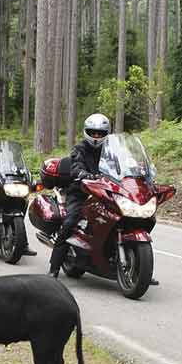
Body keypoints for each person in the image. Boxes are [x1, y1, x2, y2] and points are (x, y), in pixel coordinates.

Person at [48, 113, 110, 277]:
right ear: (87, 132)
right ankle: (54, 268)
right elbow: (75, 166)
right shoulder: (79, 149)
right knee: (69, 223)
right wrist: (83, 174)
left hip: (105, 191)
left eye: (100, 133)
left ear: (106, 134)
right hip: (81, 192)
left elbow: (121, 164)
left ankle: (140, 269)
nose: (96, 137)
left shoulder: (110, 149)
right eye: (93, 132)